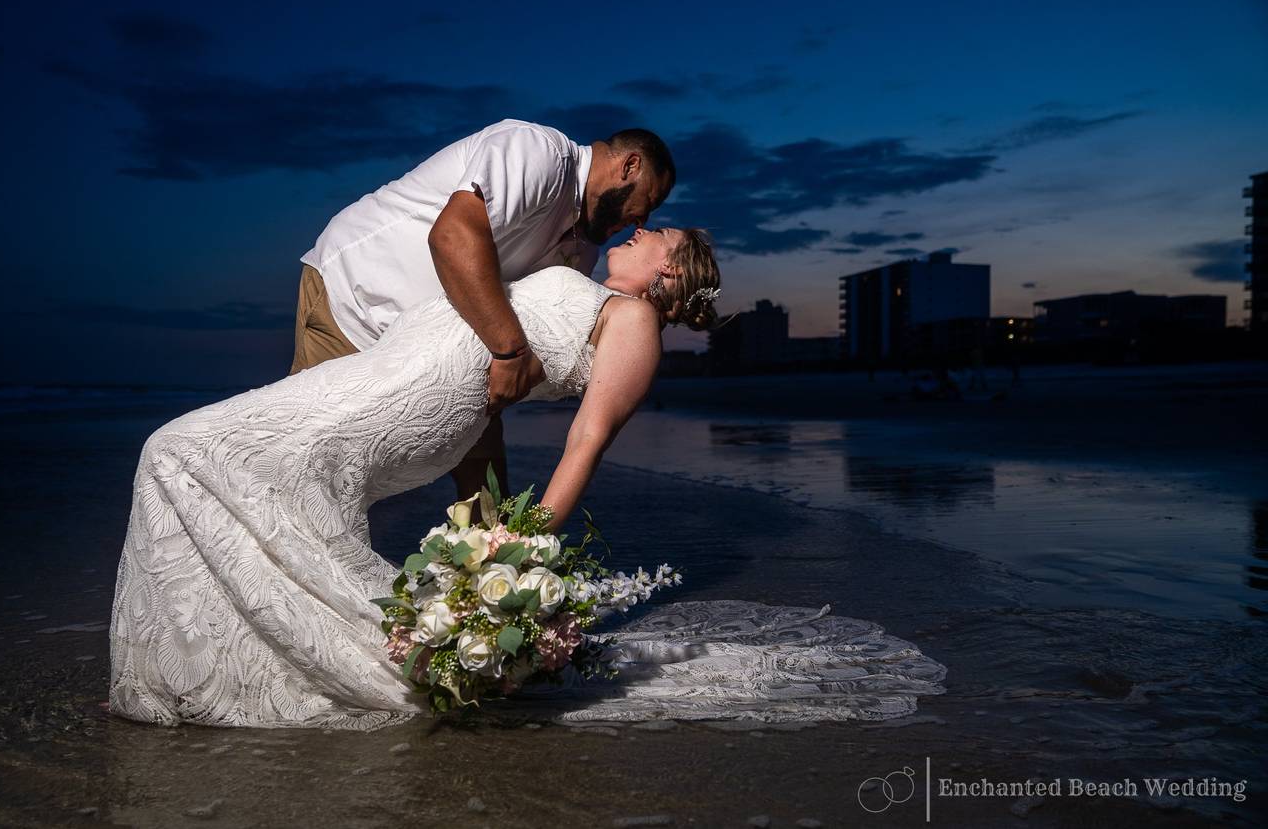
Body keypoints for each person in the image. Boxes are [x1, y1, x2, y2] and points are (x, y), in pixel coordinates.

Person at [109, 228, 945, 730]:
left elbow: (584, 442)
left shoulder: (635, 324)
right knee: (215, 463)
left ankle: (259, 663)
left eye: (655, 237)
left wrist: (515, 547)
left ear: (669, 270)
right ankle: (219, 666)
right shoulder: (593, 288)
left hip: (415, 397)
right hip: (398, 371)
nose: (638, 233)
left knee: (183, 448)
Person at [291, 119, 675, 500]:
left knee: (489, 497)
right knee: (310, 469)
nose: (642, 221)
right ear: (629, 166)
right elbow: (452, 236)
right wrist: (510, 352)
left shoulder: (584, 248)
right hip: (355, 299)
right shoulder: (538, 152)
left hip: (441, 349)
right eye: (649, 202)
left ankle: (500, 557)